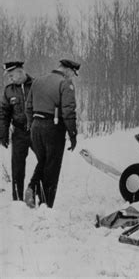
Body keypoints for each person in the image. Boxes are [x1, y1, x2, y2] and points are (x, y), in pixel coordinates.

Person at [24, 59, 80, 208]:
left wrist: (31, 124)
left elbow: (28, 106)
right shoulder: (65, 83)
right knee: (52, 168)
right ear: (68, 70)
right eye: (73, 74)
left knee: (43, 162)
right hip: (53, 128)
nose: (72, 77)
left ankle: (32, 189)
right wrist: (72, 134)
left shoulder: (38, 81)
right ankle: (46, 206)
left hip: (36, 126)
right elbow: (68, 111)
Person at [0, 61, 35, 201]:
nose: (10, 79)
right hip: (19, 133)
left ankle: (36, 193)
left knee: (44, 163)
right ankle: (18, 200)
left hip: (36, 131)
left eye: (11, 75)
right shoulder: (9, 90)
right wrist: (2, 134)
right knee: (17, 168)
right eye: (8, 76)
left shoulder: (36, 85)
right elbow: (4, 113)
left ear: (21, 72)